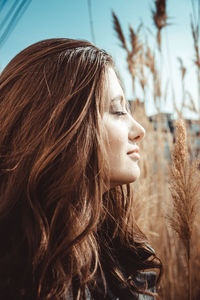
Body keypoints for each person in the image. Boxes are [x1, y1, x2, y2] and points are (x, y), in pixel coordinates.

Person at [0, 38, 162, 300]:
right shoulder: (18, 275)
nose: (139, 131)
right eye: (118, 111)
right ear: (60, 127)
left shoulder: (119, 253)